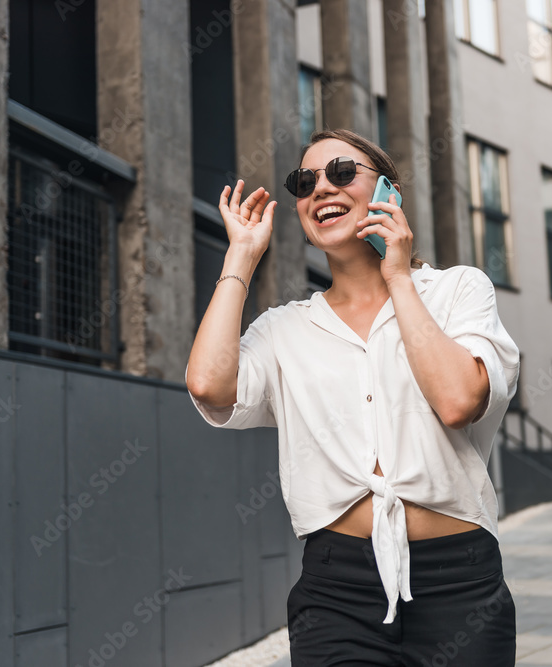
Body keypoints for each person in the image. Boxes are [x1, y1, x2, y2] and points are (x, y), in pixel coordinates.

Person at [185, 129, 520, 665]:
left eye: (341, 173)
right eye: (305, 181)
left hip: (458, 577)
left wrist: (398, 276)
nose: (320, 188)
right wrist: (242, 257)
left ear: (388, 191)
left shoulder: (457, 290)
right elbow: (209, 384)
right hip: (336, 587)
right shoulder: (284, 329)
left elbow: (459, 401)